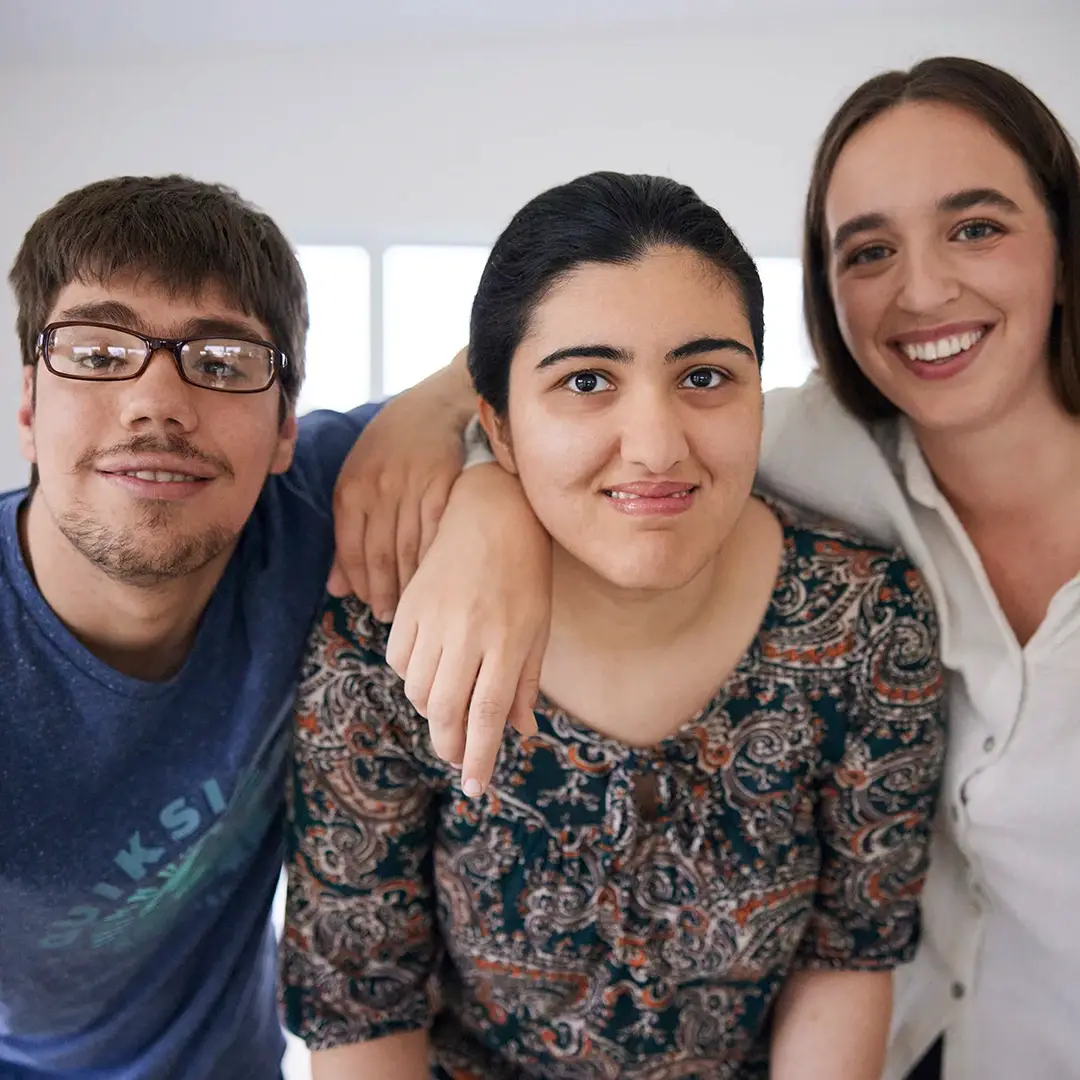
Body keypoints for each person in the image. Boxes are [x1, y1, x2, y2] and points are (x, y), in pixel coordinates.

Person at [397, 56, 1080, 1080]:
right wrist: (486, 493)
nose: (924, 287)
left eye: (976, 227)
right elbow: (582, 383)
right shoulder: (804, 438)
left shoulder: (829, 554)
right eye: (868, 250)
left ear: (1066, 245)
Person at [282, 171, 946, 1080]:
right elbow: (363, 999)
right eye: (588, 381)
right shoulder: (386, 641)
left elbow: (848, 954)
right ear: (499, 429)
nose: (657, 444)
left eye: (705, 377)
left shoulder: (871, 623)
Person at [0, 173, 545, 1079]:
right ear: (27, 406)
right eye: (98, 356)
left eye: (220, 363)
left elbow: (552, 349)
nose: (156, 404)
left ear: (286, 426)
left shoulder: (321, 508)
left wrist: (487, 484)